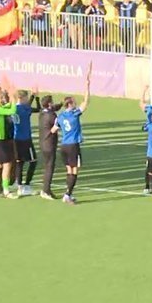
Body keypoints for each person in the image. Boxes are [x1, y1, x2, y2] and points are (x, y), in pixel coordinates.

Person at [56, 67, 92, 205]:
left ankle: (68, 193)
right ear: (70, 104)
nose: (76, 103)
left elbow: (53, 129)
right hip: (73, 145)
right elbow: (86, 102)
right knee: (75, 171)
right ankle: (67, 194)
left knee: (69, 171)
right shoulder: (74, 113)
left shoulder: (60, 116)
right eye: (74, 101)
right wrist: (87, 86)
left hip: (64, 145)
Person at [12, 89, 39, 196]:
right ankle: (26, 185)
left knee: (19, 162)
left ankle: (18, 184)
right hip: (25, 140)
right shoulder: (23, 110)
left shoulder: (13, 109)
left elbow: (28, 106)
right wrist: (35, 97)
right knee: (33, 161)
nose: (27, 100)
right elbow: (37, 109)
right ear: (21, 98)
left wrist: (32, 96)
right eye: (26, 98)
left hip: (16, 139)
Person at [37, 93, 59, 200]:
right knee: (49, 167)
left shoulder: (42, 113)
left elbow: (54, 108)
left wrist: (62, 104)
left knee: (47, 166)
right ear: (49, 104)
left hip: (43, 143)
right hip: (50, 144)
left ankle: (46, 188)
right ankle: (46, 190)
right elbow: (58, 125)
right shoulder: (52, 116)